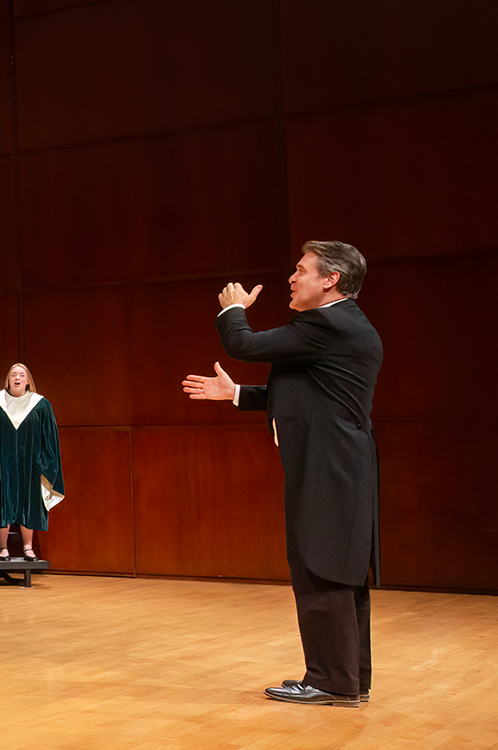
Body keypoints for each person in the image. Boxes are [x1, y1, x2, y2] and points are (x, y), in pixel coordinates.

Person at [182, 241, 382, 708]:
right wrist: (236, 395)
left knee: (321, 565)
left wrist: (232, 309)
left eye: (300, 270)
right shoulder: (343, 326)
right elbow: (309, 393)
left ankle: (332, 682)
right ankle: (349, 678)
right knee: (340, 570)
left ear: (330, 279)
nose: (291, 278)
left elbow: (243, 343)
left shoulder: (326, 324)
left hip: (328, 466)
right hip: (340, 462)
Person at [0, 364, 65, 562]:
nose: (17, 378)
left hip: (31, 465)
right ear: (8, 379)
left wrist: (46, 466)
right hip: (2, 464)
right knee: (3, 500)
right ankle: (3, 547)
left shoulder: (40, 404)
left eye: (21, 375)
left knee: (29, 502)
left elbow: (49, 439)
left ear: (28, 381)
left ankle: (28, 547)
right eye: (13, 375)